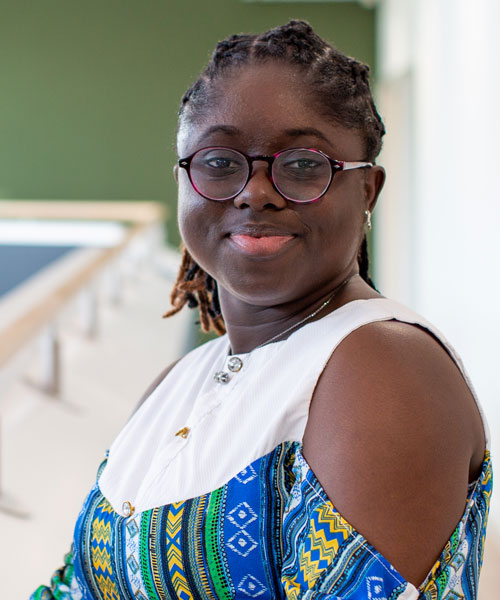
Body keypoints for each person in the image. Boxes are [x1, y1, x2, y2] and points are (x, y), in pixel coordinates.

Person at [32, 20, 491, 600]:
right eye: (220, 163)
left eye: (302, 165)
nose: (255, 191)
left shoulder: (381, 368)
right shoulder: (180, 382)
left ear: (367, 190)